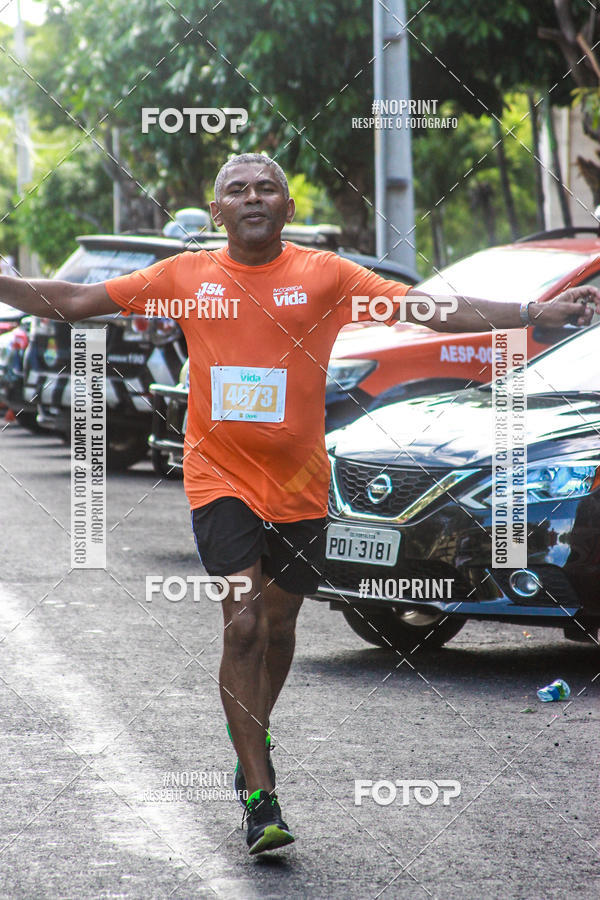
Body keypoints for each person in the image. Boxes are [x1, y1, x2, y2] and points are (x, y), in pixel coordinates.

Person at [1, 153, 599, 855]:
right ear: (216, 211)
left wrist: (533, 312)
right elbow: (73, 302)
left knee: (280, 630)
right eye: (236, 189)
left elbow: (432, 311)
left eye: (266, 188)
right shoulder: (185, 277)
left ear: (287, 207)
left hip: (301, 487)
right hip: (218, 479)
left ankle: (249, 733)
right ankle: (259, 791)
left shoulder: (326, 275)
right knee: (244, 624)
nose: (252, 197)